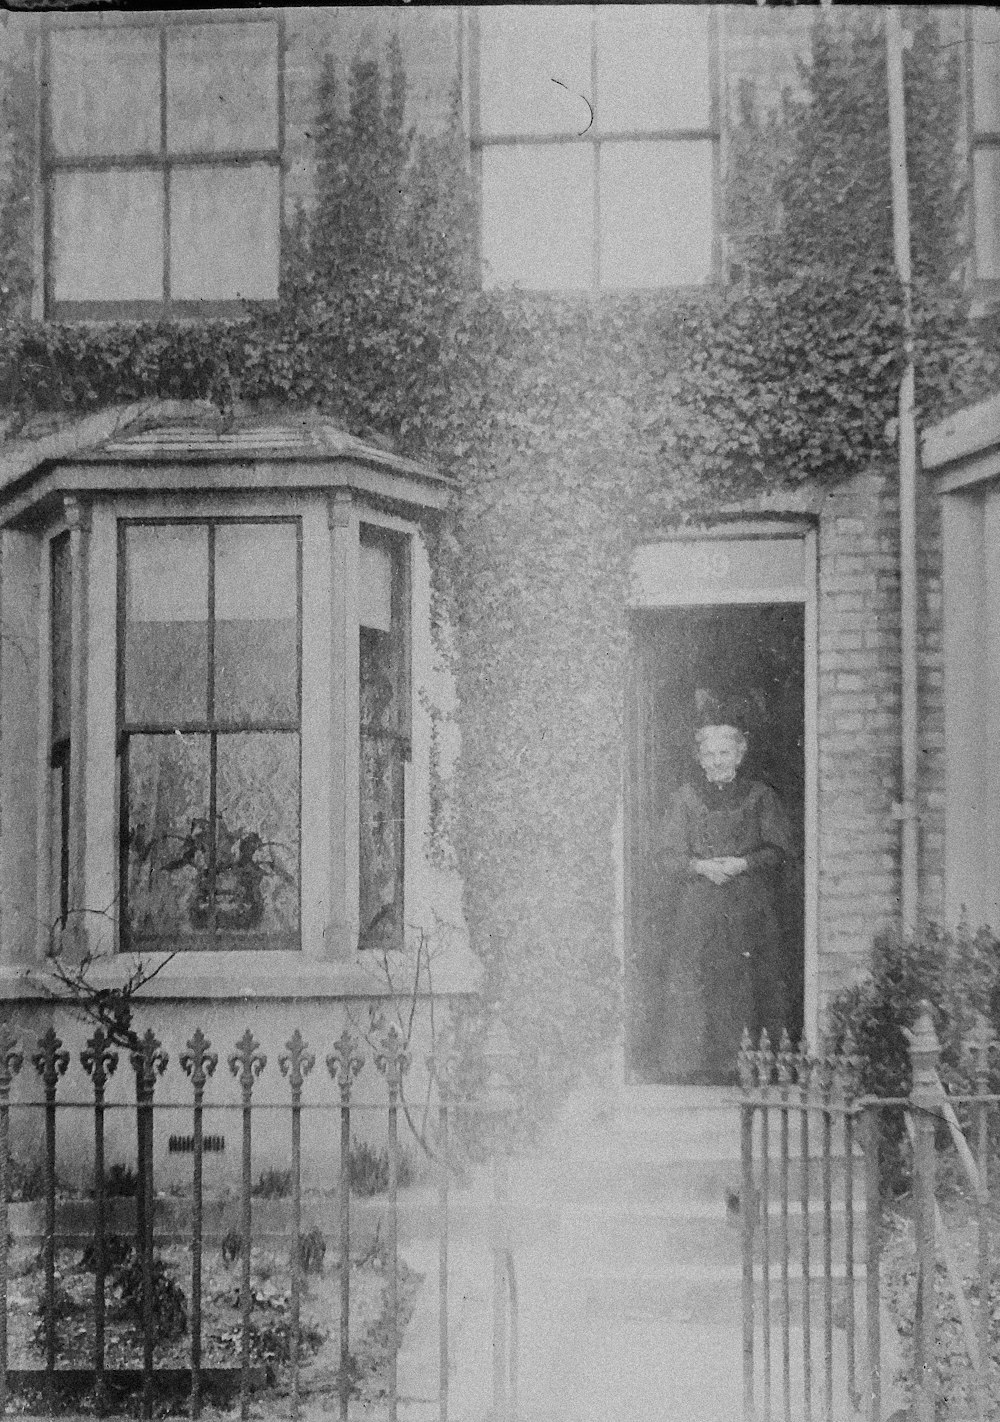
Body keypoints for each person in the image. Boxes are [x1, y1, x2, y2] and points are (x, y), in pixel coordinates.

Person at [658, 694, 795, 1084]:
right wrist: (698, 866)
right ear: (700, 759)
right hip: (699, 906)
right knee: (697, 979)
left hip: (748, 905)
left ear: (740, 754)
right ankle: (695, 1070)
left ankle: (750, 1067)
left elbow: (780, 850)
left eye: (725, 752)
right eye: (710, 754)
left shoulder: (760, 797)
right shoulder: (684, 799)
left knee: (749, 981)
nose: (717, 761)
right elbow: (667, 855)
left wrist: (742, 863)